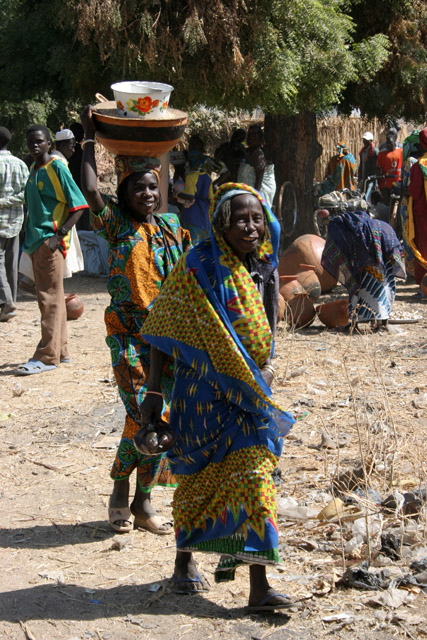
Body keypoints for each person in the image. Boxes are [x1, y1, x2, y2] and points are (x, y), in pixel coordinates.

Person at [140, 183, 295, 611]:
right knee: (197, 476)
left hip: (248, 393)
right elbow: (165, 327)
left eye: (257, 218)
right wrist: (154, 388)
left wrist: (263, 369)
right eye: (240, 219)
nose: (250, 227)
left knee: (256, 477)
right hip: (201, 393)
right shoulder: (198, 265)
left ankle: (259, 585)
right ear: (222, 223)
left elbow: (267, 324)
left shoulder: (264, 266)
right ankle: (184, 561)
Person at [80, 105, 192, 534]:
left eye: (152, 187)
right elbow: (91, 191)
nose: (147, 194)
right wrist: (90, 137)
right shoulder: (114, 226)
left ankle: (143, 502)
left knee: (159, 419)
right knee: (140, 418)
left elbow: (185, 277)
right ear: (124, 195)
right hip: (127, 338)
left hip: (165, 341)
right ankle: (120, 491)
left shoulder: (170, 224)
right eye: (138, 189)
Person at [16, 125, 89, 375]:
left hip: (49, 243)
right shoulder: (34, 170)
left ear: (50, 144)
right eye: (30, 142)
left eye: (39, 141)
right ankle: (61, 350)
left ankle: (47, 357)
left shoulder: (56, 167)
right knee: (52, 299)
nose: (34, 146)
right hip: (37, 243)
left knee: (48, 300)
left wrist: (58, 236)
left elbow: (79, 205)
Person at [322, 210, 406, 330]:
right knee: (378, 286)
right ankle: (378, 320)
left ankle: (374, 321)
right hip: (380, 252)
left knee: (371, 285)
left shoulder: (345, 229)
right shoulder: (354, 228)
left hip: (380, 252)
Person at [0, 126, 29, 322]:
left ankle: (7, 301)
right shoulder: (20, 164)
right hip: (16, 222)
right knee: (11, 263)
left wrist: (2, 202)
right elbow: (27, 194)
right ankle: (10, 305)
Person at [178, 135, 214, 244]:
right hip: (201, 209)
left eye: (196, 143)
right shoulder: (185, 158)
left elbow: (225, 171)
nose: (193, 146)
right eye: (191, 143)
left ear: (202, 147)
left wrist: (177, 195)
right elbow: (210, 198)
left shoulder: (206, 161)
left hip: (190, 205)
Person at [399, 130, 423, 278]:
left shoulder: (410, 162)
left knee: (409, 235)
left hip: (409, 205)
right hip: (418, 204)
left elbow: (407, 187)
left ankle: (411, 271)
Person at [407, 126, 427, 297]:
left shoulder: (419, 166)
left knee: (423, 247)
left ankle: (424, 286)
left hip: (422, 214)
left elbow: (415, 191)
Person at [238, 124, 276, 208]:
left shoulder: (258, 154)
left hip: (258, 192)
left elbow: (259, 179)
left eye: (254, 136)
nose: (250, 138)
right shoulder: (248, 152)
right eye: (249, 135)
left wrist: (255, 199)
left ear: (259, 139)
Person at [376, 128, 403, 205]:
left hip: (398, 183)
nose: (388, 145)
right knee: (386, 205)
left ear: (394, 142)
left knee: (397, 203)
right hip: (385, 184)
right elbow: (378, 169)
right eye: (387, 143)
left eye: (390, 143)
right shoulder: (381, 153)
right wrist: (378, 183)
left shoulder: (401, 151)